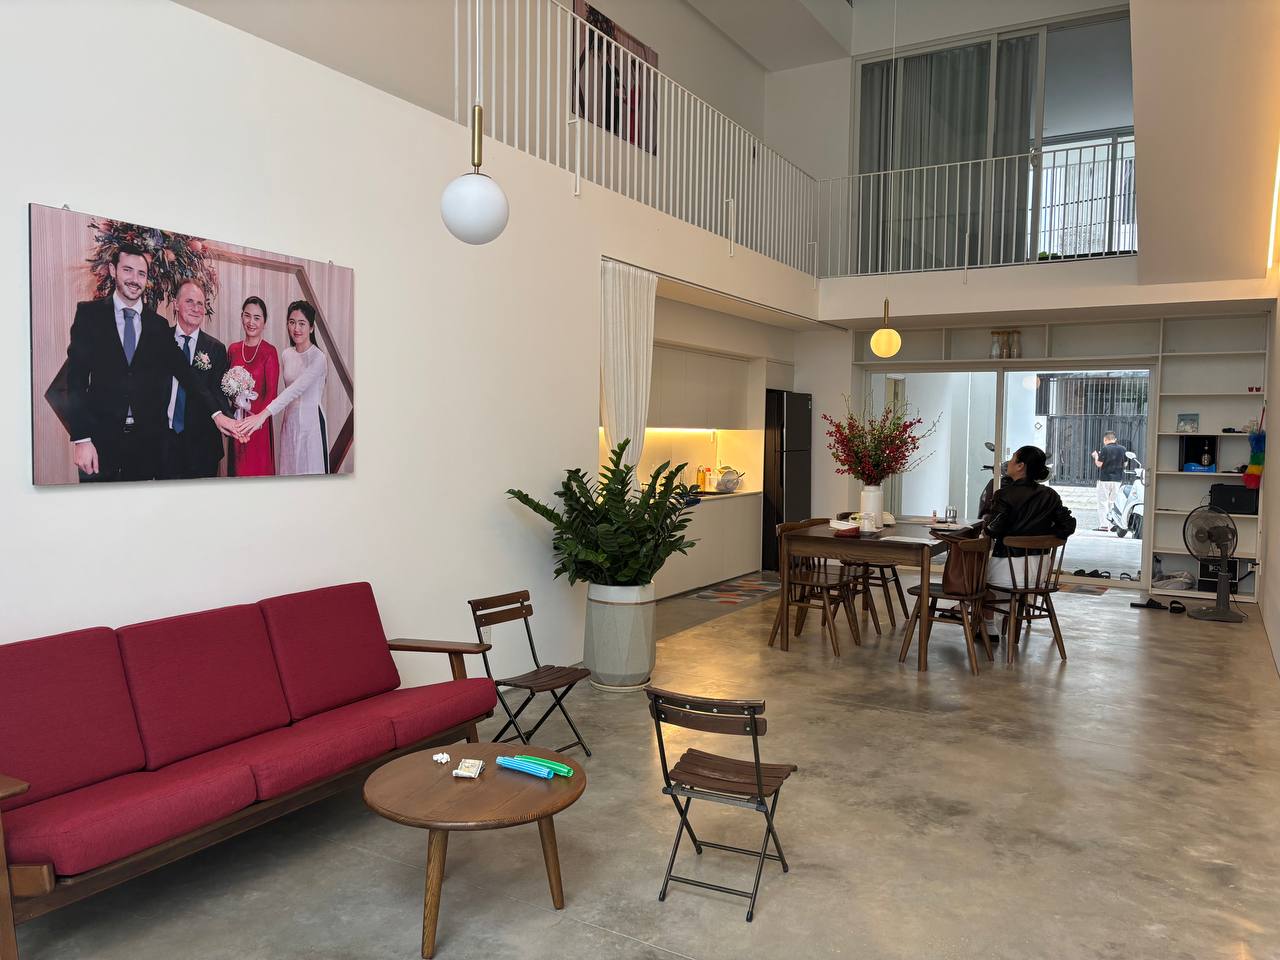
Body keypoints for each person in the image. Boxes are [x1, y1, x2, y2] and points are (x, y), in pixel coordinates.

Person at [64, 244, 239, 482]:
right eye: (127, 270)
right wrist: (82, 439)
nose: (134, 279)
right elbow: (75, 381)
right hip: (99, 442)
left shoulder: (157, 325)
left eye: (141, 274)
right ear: (113, 270)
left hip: (145, 446)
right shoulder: (89, 315)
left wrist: (217, 414)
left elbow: (186, 374)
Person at [981, 445, 1076, 640]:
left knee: (977, 580)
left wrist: (990, 524)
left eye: (1013, 459)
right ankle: (997, 622)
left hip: (1007, 571)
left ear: (1020, 466)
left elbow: (993, 529)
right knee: (1001, 581)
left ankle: (988, 627)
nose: (1009, 463)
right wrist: (1044, 537)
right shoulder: (1050, 495)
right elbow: (1068, 525)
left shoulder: (1004, 494)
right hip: (1039, 573)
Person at [237, 300, 328, 475]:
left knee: (311, 475)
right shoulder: (287, 354)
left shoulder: (318, 358)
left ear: (311, 328)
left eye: (302, 323)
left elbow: (293, 390)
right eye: (292, 322)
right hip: (290, 423)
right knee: (289, 472)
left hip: (312, 424)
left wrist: (262, 415)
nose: (296, 328)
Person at [160, 279, 228, 480]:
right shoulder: (159, 341)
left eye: (200, 303)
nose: (196, 308)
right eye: (189, 301)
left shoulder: (216, 349)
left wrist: (231, 419)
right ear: (176, 304)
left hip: (203, 446)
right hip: (165, 443)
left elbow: (218, 395)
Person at [225, 296, 280, 477]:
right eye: (247, 316)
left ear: (264, 322)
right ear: (241, 317)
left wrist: (254, 418)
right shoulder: (233, 349)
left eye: (257, 318)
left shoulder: (269, 352)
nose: (251, 322)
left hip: (258, 425)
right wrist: (234, 401)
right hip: (237, 423)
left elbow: (271, 394)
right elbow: (226, 387)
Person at [1091, 431, 1128, 531]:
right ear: (1115, 439)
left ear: (1105, 439)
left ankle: (1104, 525)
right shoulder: (1123, 449)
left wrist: (1096, 456)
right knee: (1113, 502)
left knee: (1103, 502)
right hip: (1117, 479)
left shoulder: (1105, 449)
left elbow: (1099, 464)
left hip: (1105, 479)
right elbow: (1125, 464)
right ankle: (1112, 524)